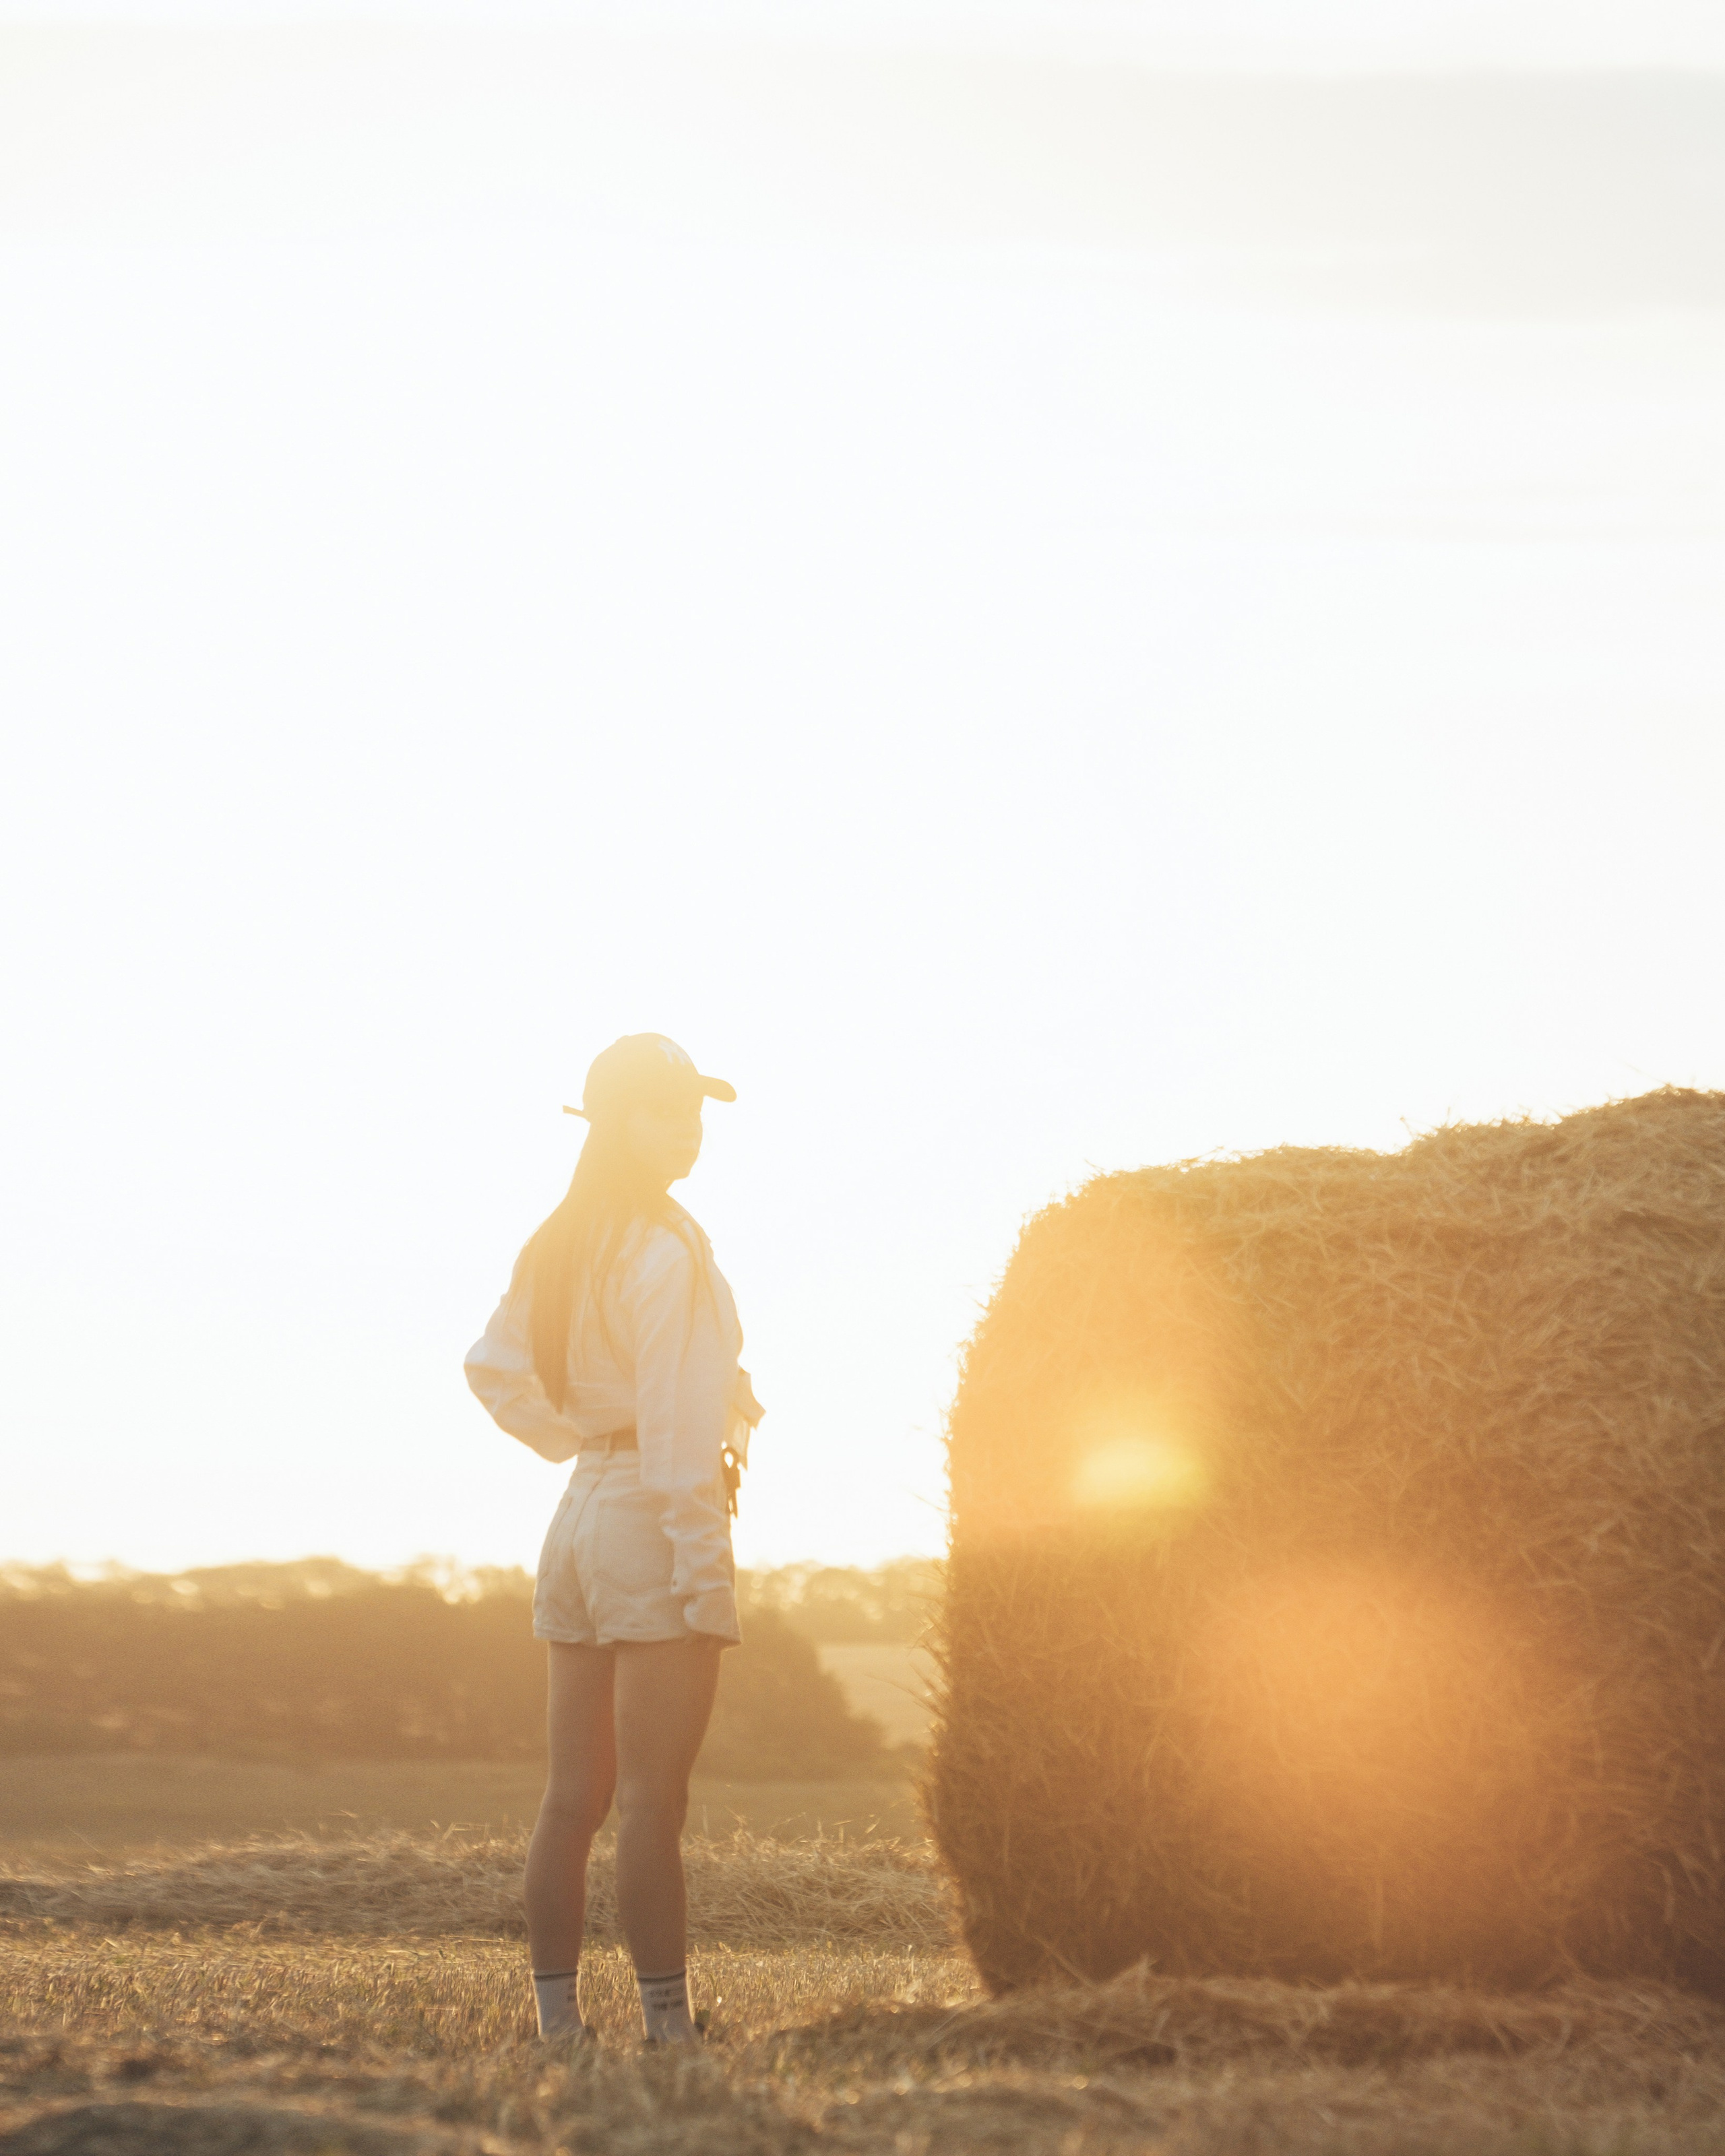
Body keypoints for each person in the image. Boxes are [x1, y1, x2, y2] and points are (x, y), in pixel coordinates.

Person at [464, 1033, 763, 2046]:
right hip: (649, 1514)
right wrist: (700, 1572)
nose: (687, 1131)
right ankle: (670, 2034)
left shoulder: (561, 1241)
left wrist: (577, 1438)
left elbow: (492, 1369)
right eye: (664, 1112)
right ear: (612, 1124)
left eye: (695, 1113)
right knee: (648, 1800)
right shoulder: (666, 1248)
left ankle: (557, 2026)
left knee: (568, 1798)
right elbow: (680, 1439)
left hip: (582, 1512)